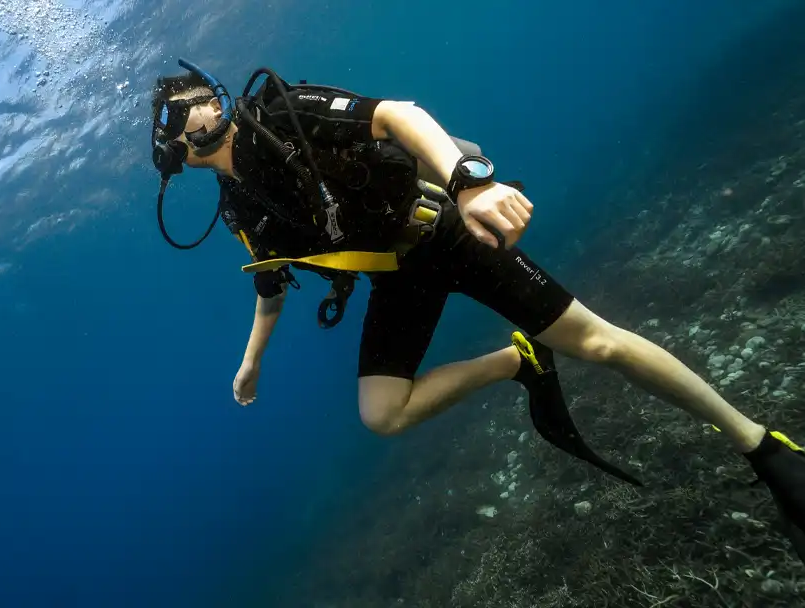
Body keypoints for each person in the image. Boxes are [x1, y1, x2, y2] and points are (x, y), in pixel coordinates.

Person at [148, 59, 804, 555]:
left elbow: (397, 115)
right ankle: (517, 362)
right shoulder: (239, 210)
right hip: (397, 278)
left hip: (448, 232)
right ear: (172, 147)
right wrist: (250, 364)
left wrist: (467, 186)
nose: (208, 109)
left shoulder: (288, 111)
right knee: (382, 413)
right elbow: (269, 291)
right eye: (188, 110)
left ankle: (761, 445)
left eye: (206, 96)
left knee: (600, 344)